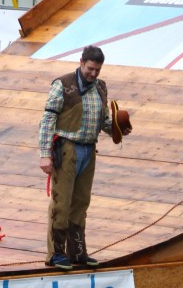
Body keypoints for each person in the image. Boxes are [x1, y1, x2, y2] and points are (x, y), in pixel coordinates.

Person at [38, 45, 131, 271]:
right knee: (62, 202)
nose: (93, 74)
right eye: (90, 68)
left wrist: (118, 129)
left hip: (89, 150)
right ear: (81, 62)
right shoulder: (62, 85)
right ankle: (56, 254)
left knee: (81, 202)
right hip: (66, 149)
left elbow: (104, 122)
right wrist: (44, 154)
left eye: (97, 70)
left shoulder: (101, 88)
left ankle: (77, 252)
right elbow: (47, 120)